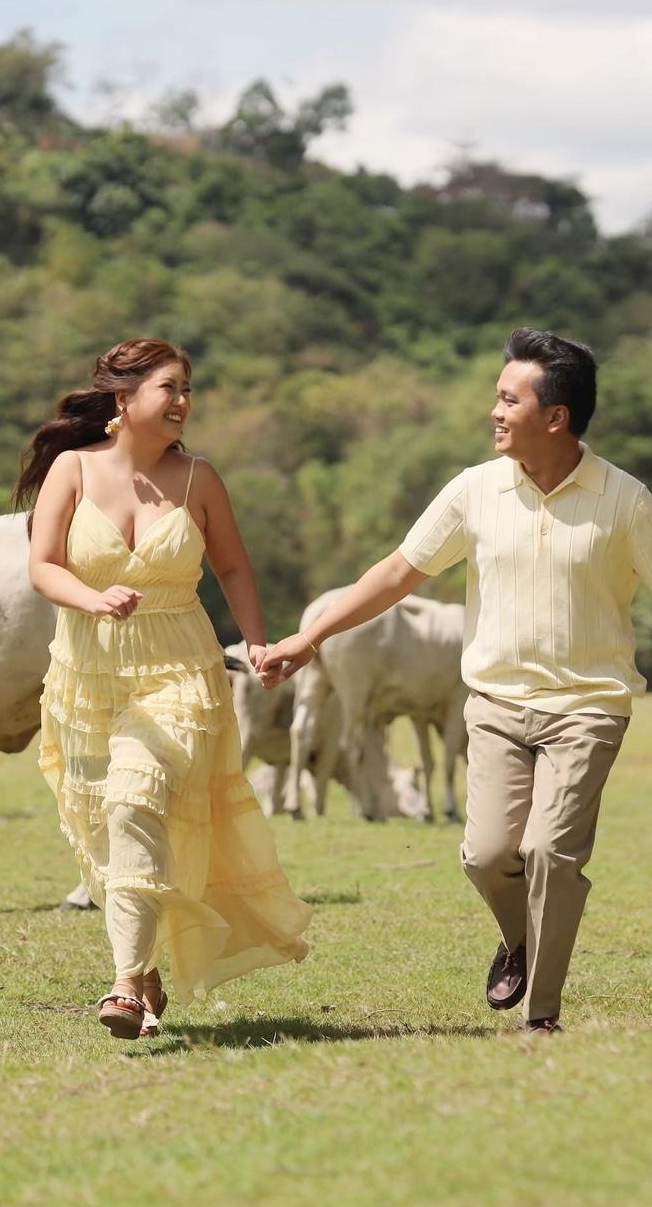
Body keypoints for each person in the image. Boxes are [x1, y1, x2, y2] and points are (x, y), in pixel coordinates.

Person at [262, 328, 652, 1035]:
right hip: (496, 704)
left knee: (551, 854)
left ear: (556, 416)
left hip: (588, 707)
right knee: (487, 856)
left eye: (509, 400)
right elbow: (396, 573)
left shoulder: (625, 500)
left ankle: (541, 1016)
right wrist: (309, 637)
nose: (494, 412)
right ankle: (522, 939)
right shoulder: (475, 490)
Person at [16, 338, 311, 1040]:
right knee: (105, 824)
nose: (182, 401)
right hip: (88, 671)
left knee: (135, 796)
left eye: (187, 389)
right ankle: (143, 961)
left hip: (178, 667)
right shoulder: (72, 469)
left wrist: (258, 641)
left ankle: (123, 986)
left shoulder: (198, 479)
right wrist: (92, 599)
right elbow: (43, 566)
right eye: (168, 388)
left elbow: (233, 567)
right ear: (124, 399)